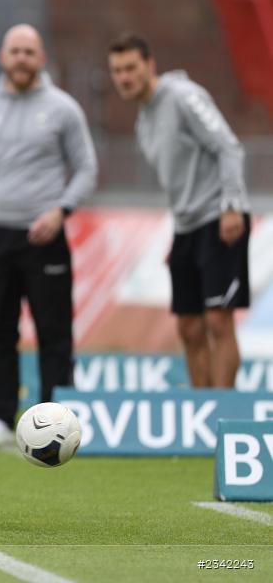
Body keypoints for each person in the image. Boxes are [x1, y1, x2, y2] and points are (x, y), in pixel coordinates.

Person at [0, 24, 98, 450]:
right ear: (3, 56)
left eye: (29, 51)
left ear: (41, 58)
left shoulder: (63, 108)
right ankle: (0, 417)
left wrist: (61, 211)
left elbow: (88, 168)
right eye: (15, 51)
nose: (21, 58)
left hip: (44, 235)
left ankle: (59, 417)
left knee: (54, 329)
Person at [107, 33, 250, 389]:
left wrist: (231, 205)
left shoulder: (183, 96)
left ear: (149, 65)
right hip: (187, 228)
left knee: (219, 320)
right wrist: (178, 234)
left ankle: (223, 412)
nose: (124, 77)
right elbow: (180, 181)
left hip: (220, 217)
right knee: (188, 326)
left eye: (130, 68)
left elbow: (229, 147)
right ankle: (199, 410)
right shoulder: (143, 122)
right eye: (117, 71)